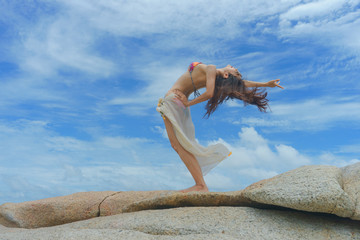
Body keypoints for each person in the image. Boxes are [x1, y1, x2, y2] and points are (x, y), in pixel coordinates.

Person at [156, 62, 283, 193]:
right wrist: (265, 84)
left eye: (236, 71)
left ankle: (200, 185)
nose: (236, 68)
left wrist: (188, 103)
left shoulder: (211, 69)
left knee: (178, 145)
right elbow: (241, 84)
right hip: (178, 103)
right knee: (180, 145)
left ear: (227, 74)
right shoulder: (214, 77)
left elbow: (210, 93)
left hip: (175, 100)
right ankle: (200, 184)